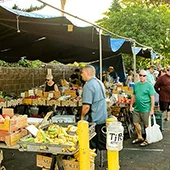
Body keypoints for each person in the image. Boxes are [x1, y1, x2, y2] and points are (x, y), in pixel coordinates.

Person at [81, 65, 107, 150]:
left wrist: (82, 118)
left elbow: (86, 107)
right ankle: (99, 162)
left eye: (82, 73)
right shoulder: (99, 82)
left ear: (87, 73)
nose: (81, 75)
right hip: (102, 118)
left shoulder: (88, 85)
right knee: (99, 144)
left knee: (90, 146)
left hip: (93, 120)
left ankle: (90, 163)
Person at [130, 69, 155, 146]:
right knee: (135, 123)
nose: (142, 77)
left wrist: (152, 109)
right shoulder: (136, 85)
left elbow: (152, 98)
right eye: (140, 75)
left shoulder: (149, 86)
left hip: (146, 109)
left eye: (144, 75)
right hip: (137, 108)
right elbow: (133, 95)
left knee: (147, 125)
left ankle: (148, 139)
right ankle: (140, 137)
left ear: (146, 76)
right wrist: (131, 105)